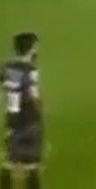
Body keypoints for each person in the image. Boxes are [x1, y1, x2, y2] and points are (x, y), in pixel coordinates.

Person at [2, 32, 42, 189]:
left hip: (12, 118)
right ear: (31, 49)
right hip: (29, 118)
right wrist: (42, 108)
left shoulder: (7, 67)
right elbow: (33, 95)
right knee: (32, 165)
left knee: (10, 161)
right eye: (35, 47)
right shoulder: (30, 70)